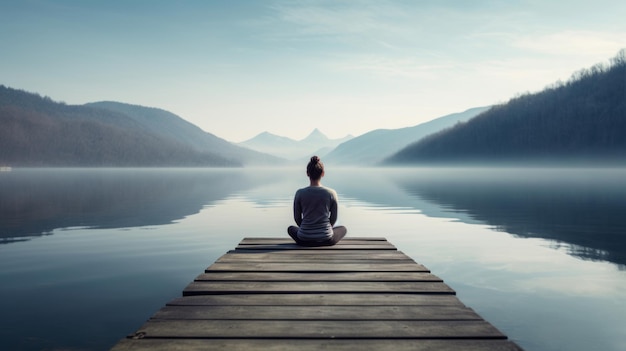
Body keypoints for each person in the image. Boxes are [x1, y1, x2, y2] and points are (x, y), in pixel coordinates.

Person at [288, 156, 347, 246]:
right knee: (343, 229)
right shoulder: (331, 193)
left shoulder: (300, 193)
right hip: (326, 239)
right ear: (323, 173)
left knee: (291, 229)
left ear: (307, 173)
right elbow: (333, 219)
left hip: (304, 239)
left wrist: (308, 231)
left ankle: (307, 236)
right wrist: (322, 231)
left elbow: (297, 218)